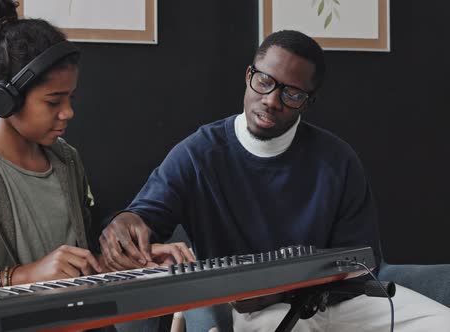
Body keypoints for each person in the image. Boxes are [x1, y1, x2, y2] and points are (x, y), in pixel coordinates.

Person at [99, 30, 450, 331]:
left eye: (291, 93)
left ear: (307, 102)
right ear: (249, 74)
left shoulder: (337, 159)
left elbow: (363, 260)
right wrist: (124, 222)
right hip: (259, 311)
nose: (270, 100)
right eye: (264, 81)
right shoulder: (199, 154)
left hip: (342, 302)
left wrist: (290, 283)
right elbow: (145, 216)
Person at [0, 0, 192, 304]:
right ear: (4, 100)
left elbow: (72, 269)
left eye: (70, 98)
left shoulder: (65, 160)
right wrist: (22, 276)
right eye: (54, 101)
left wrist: (135, 262)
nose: (68, 112)